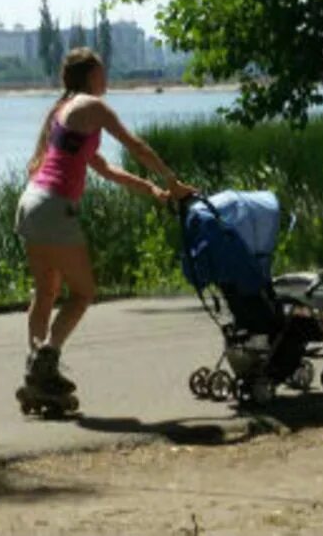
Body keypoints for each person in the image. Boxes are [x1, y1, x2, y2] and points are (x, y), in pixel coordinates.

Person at [14, 47, 195, 397]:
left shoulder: (63, 110)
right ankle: (45, 360)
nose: (106, 77)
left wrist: (152, 190)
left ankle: (37, 372)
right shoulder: (92, 106)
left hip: (31, 203)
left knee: (46, 293)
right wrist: (173, 181)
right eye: (102, 72)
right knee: (83, 293)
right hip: (54, 207)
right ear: (91, 76)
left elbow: (104, 168)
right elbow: (136, 146)